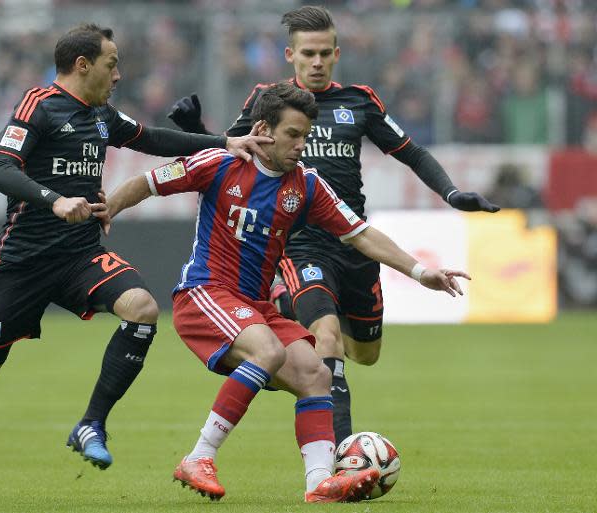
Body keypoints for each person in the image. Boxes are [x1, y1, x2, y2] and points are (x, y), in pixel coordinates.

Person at [0, 23, 271, 503]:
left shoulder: (102, 116)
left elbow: (151, 138)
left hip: (80, 254)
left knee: (143, 308)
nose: (119, 73)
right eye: (112, 63)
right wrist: (53, 200)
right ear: (83, 65)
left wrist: (222, 143)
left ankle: (91, 424)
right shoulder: (39, 105)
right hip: (21, 263)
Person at [108, 82, 469, 503]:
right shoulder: (221, 162)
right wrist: (106, 211)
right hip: (205, 292)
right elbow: (147, 183)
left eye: (306, 135)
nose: (302, 145)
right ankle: (198, 457)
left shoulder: (307, 186)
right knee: (269, 352)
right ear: (263, 129)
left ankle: (319, 482)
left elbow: (361, 235)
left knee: (316, 373)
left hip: (255, 306)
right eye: (293, 135)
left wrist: (421, 271)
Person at [168, 5, 499, 445]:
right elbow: (230, 154)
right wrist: (197, 130)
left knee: (366, 352)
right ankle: (341, 455)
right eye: (308, 54)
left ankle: (295, 321)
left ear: (337, 53)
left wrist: (452, 193)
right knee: (327, 341)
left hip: (355, 243)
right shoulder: (268, 101)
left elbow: (412, 152)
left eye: (325, 53)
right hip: (300, 246)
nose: (317, 62)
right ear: (291, 55)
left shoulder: (359, 101)